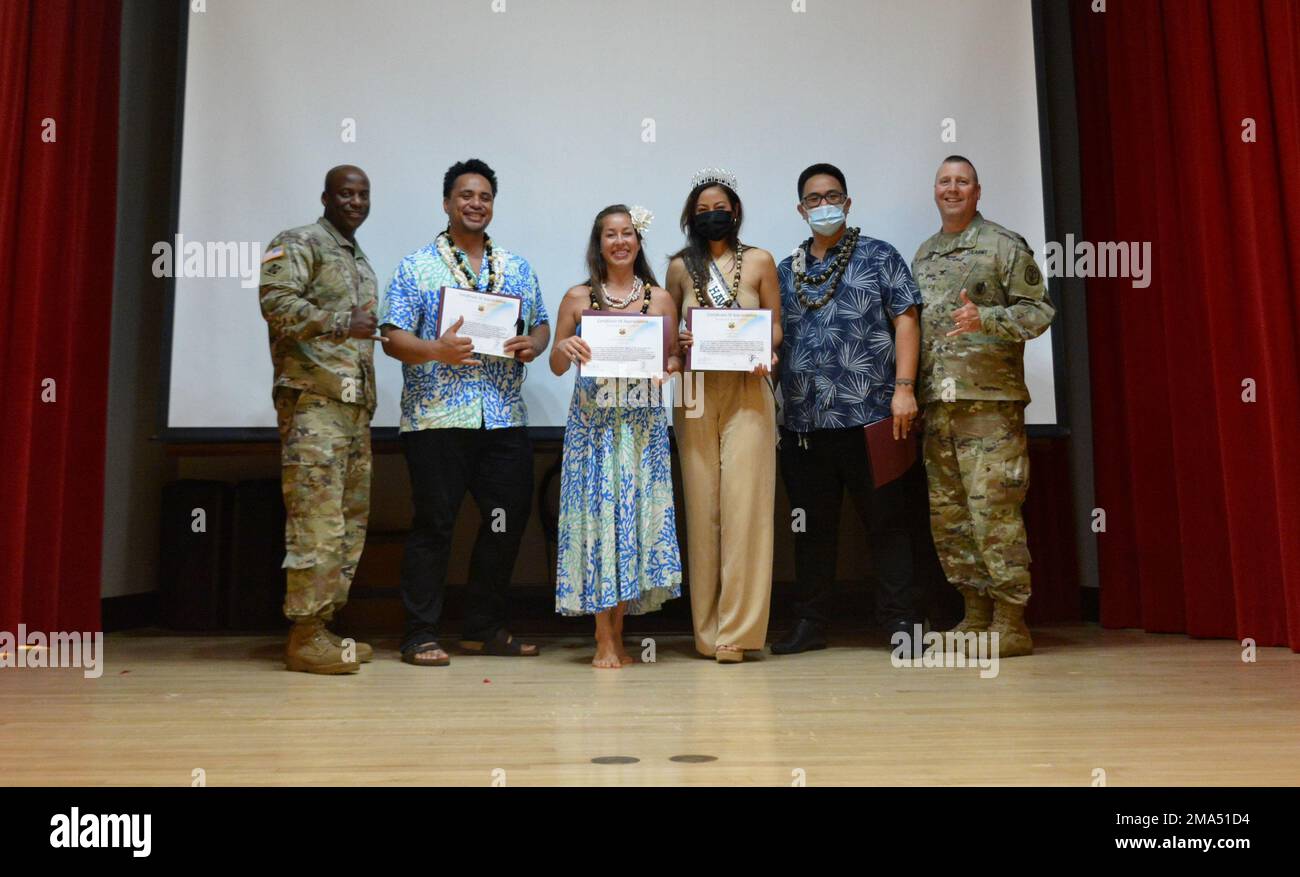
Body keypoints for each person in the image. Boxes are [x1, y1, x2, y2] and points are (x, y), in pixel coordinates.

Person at [379, 158, 551, 666]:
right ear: (447, 203)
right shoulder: (417, 266)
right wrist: (436, 350)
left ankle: (484, 628)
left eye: (485, 197)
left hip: (501, 417)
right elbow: (391, 338)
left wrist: (532, 345)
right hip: (437, 419)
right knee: (435, 525)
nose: (476, 204)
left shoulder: (517, 267)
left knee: (505, 522)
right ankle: (419, 633)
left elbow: (540, 324)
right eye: (466, 196)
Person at [771, 163, 925, 655]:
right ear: (800, 209)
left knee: (888, 525)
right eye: (813, 198)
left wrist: (905, 388)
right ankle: (811, 623)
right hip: (804, 424)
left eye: (832, 195)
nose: (823, 204)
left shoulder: (880, 256)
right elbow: (769, 337)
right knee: (811, 530)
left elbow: (906, 320)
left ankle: (902, 623)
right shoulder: (784, 269)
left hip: (876, 416)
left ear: (849, 202)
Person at [912, 155, 1055, 657]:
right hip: (939, 405)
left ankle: (1011, 622)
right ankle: (974, 616)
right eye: (944, 181)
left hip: (989, 406)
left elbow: (1039, 311)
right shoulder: (926, 254)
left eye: (962, 182)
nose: (952, 189)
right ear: (935, 191)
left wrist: (988, 318)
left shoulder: (1003, 244)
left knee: (993, 512)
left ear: (977, 191)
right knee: (949, 517)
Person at [550, 205, 683, 668]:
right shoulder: (576, 297)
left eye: (628, 233)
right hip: (593, 431)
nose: (620, 241)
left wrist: (671, 368)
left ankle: (620, 633)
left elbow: (673, 362)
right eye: (611, 234)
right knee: (600, 528)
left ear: (638, 242)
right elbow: (556, 363)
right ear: (599, 243)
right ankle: (602, 637)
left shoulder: (661, 299)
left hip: (642, 431)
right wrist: (564, 346)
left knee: (633, 529)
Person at [258, 164, 378, 674]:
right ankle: (304, 634)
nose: (354, 202)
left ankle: (325, 626)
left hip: (352, 409)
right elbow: (275, 303)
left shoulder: (360, 259)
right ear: (325, 197)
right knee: (316, 522)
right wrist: (337, 321)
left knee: (348, 522)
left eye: (362, 194)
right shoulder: (297, 241)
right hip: (313, 405)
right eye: (345, 193)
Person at [665, 168, 781, 663]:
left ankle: (738, 631)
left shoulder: (759, 261)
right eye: (703, 209)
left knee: (745, 507)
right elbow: (668, 336)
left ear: (735, 212)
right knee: (702, 507)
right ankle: (706, 632)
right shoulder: (677, 268)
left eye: (722, 208)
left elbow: (775, 329)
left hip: (748, 386)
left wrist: (765, 350)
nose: (714, 215)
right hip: (693, 388)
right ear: (692, 217)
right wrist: (681, 343)